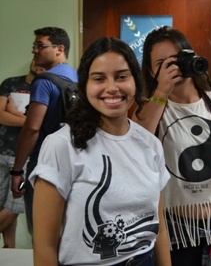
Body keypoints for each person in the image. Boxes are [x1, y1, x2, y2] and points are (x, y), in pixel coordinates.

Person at [29, 37, 170, 265]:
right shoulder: (62, 144)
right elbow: (44, 245)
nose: (112, 88)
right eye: (99, 78)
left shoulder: (149, 143)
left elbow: (159, 228)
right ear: (85, 85)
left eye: (122, 76)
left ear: (136, 81)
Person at [135, 26, 211, 266]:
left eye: (176, 59)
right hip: (179, 232)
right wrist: (162, 90)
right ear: (151, 71)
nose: (172, 67)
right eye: (161, 63)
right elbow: (137, 146)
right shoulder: (148, 110)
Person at [11, 27, 78, 235]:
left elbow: (32, 128)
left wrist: (17, 170)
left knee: (42, 234)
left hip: (44, 165)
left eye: (40, 46)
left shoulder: (44, 82)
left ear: (59, 49)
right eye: (34, 46)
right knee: (69, 232)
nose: (35, 51)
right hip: (75, 164)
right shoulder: (79, 78)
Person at [0, 59, 42, 247]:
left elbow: (39, 125)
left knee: (14, 208)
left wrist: (13, 112)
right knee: (4, 207)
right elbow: (0, 116)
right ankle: (9, 248)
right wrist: (30, 120)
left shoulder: (45, 86)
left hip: (27, 155)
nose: (37, 63)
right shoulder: (10, 83)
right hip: (2, 151)